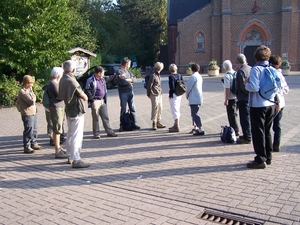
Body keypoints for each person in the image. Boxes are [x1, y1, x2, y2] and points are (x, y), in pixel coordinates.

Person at [245, 45, 275, 169]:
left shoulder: (256, 69)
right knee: (267, 131)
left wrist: (246, 84)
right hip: (271, 103)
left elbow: (254, 87)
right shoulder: (271, 68)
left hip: (258, 104)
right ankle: (268, 156)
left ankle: (260, 159)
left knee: (258, 132)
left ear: (256, 56)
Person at [59, 60, 90, 168]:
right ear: (73, 70)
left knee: (70, 134)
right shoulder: (72, 80)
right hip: (76, 110)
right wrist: (85, 96)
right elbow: (84, 96)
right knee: (77, 135)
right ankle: (76, 159)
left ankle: (70, 156)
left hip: (69, 110)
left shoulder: (62, 79)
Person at [85, 66, 118, 138]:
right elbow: (87, 90)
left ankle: (109, 132)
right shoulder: (90, 80)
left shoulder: (102, 79)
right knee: (95, 118)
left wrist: (117, 76)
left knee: (105, 117)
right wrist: (92, 100)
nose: (104, 74)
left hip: (103, 100)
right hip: (95, 101)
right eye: (103, 73)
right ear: (99, 73)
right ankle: (96, 133)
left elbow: (110, 77)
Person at [17, 75, 43, 153]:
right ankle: (26, 146)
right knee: (28, 130)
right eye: (30, 83)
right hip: (27, 113)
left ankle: (33, 143)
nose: (32, 85)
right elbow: (31, 101)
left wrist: (34, 98)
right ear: (26, 83)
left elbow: (34, 98)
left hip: (33, 111)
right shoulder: (22, 91)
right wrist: (34, 99)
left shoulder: (29, 89)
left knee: (34, 129)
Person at [269, 55, 289, 152]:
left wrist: (277, 100)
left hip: (273, 103)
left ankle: (270, 145)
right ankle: (276, 144)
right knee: (277, 125)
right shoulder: (280, 75)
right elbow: (286, 89)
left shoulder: (270, 74)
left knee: (268, 125)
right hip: (280, 103)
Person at [47, 67, 68, 159]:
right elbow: (60, 95)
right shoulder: (53, 83)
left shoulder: (55, 82)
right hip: (56, 107)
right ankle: (57, 150)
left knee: (59, 127)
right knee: (57, 129)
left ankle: (58, 147)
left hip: (59, 106)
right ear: (58, 74)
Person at [116, 58, 140, 131]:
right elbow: (121, 82)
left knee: (132, 108)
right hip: (123, 92)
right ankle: (122, 125)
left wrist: (129, 80)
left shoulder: (128, 71)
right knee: (123, 108)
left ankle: (134, 123)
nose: (130, 65)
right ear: (126, 64)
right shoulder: (119, 71)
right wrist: (130, 81)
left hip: (130, 91)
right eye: (129, 64)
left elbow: (135, 79)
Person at [235, 54, 252, 144]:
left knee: (244, 118)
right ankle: (248, 134)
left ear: (237, 62)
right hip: (252, 98)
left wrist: (246, 93)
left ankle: (247, 137)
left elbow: (242, 87)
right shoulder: (251, 68)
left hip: (243, 98)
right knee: (249, 117)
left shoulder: (240, 71)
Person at [185, 63, 204, 135]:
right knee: (194, 113)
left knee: (195, 113)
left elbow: (188, 87)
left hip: (194, 97)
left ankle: (200, 127)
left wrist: (186, 94)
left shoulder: (193, 77)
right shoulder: (199, 76)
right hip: (198, 96)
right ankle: (195, 127)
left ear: (192, 69)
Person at [222, 60, 239, 136]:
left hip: (231, 97)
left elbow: (227, 88)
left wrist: (226, 99)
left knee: (231, 115)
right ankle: (235, 129)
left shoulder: (227, 76)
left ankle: (235, 130)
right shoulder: (235, 73)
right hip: (237, 96)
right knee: (235, 114)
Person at [146, 62, 166, 130]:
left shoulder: (159, 75)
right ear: (160, 68)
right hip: (154, 93)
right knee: (155, 108)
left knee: (160, 107)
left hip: (159, 93)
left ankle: (158, 121)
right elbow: (149, 85)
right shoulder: (153, 75)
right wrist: (148, 93)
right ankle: (154, 122)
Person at [168, 64, 183, 132]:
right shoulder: (180, 75)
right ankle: (175, 124)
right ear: (176, 69)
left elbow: (172, 87)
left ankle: (176, 125)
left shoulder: (171, 77)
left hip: (174, 95)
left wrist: (170, 94)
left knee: (174, 110)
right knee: (178, 108)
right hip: (179, 94)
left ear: (170, 70)